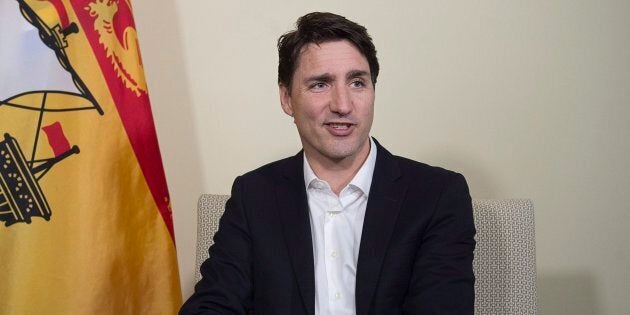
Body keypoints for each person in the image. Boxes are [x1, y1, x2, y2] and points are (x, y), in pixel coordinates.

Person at [181, 12, 475, 315]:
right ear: (286, 99)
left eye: (357, 83)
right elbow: (213, 305)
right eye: (320, 84)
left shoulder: (437, 195)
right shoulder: (253, 195)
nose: (343, 105)